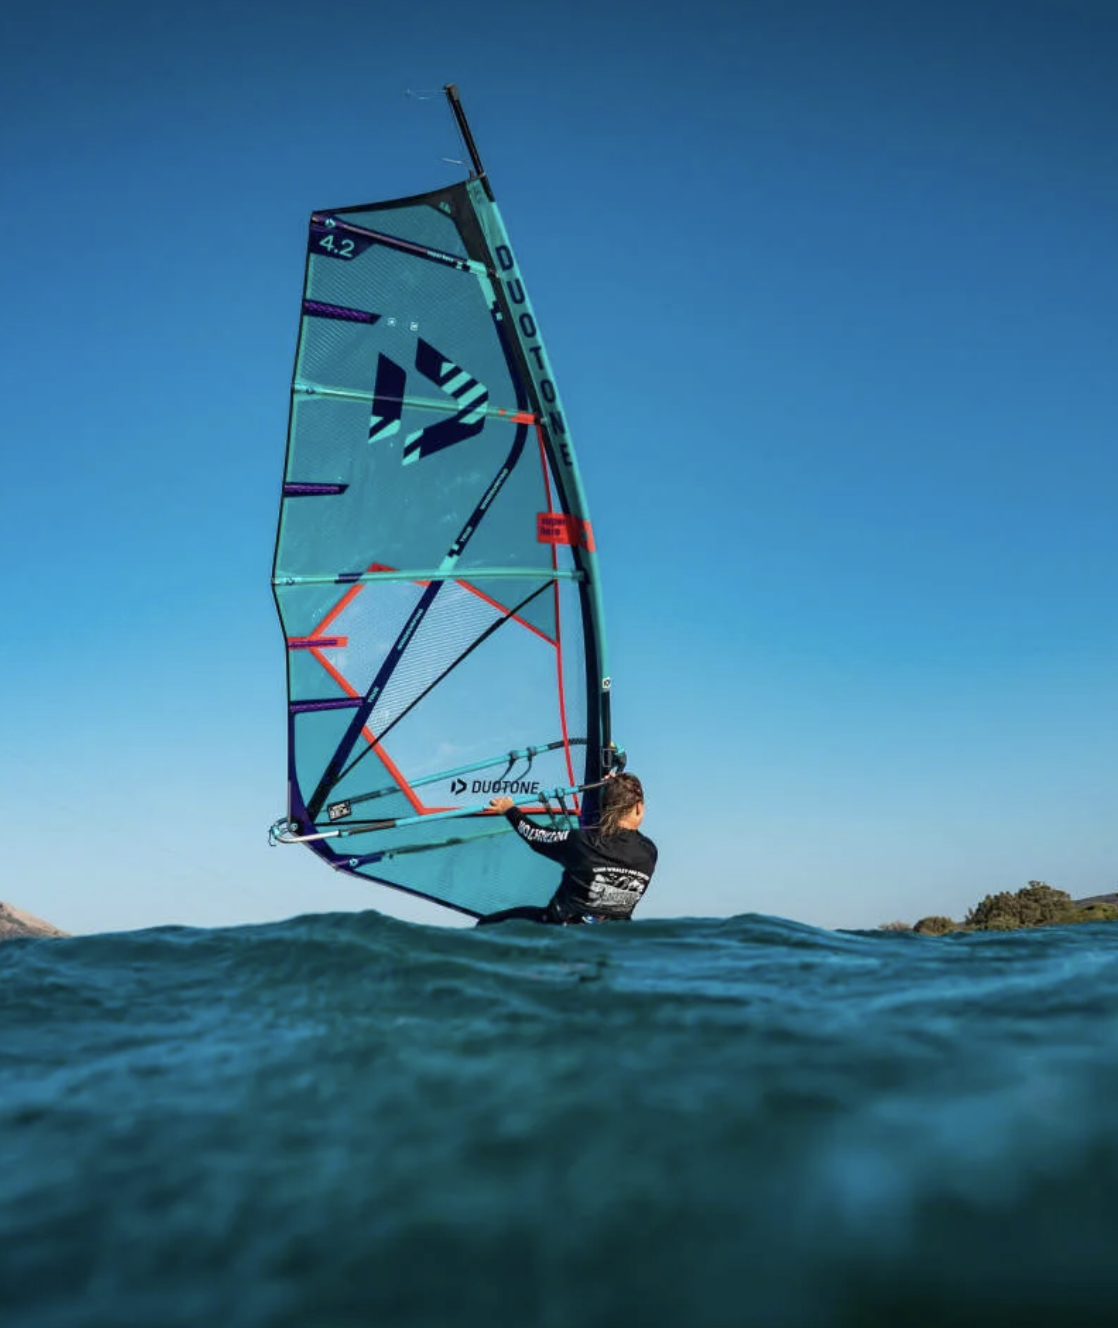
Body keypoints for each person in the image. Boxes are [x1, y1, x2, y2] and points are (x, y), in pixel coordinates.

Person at [476, 772, 657, 926]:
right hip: (613, 935)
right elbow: (620, 840)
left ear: (605, 807)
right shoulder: (649, 852)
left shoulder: (580, 841)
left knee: (485, 924)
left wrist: (509, 809)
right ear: (639, 807)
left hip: (559, 928)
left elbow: (534, 835)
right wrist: (619, 786)